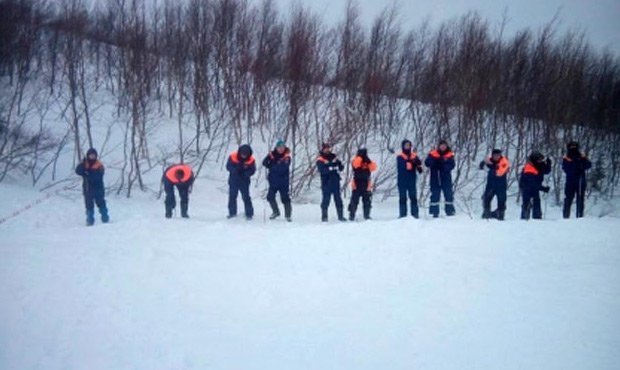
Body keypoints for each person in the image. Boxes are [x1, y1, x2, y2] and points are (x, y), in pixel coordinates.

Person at [75, 148, 109, 226]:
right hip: (88, 189)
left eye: (94, 155)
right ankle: (90, 221)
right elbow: (78, 171)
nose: (92, 157)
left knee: (101, 203)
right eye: (91, 155)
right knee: (89, 206)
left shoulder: (99, 165)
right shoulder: (85, 164)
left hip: (98, 188)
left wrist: (88, 173)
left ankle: (105, 218)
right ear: (88, 155)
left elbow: (99, 176)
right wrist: (82, 165)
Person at [424, 140, 456, 217]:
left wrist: (443, 164)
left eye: (444, 145)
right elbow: (427, 163)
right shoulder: (433, 154)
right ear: (439, 146)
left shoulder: (449, 155)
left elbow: (452, 165)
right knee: (435, 193)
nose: (443, 147)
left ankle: (449, 211)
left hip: (446, 177)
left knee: (448, 193)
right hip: (435, 177)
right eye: (441, 145)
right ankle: (435, 212)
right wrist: (434, 161)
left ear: (446, 146)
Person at [263, 140, 292, 221]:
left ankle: (288, 215)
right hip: (273, 181)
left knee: (285, 198)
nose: (281, 149)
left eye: (282, 147)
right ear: (276, 147)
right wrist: (269, 162)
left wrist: (272, 165)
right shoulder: (271, 154)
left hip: (283, 181)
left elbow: (282, 168)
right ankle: (275, 212)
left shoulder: (287, 157)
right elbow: (264, 163)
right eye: (279, 147)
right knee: (270, 197)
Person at [316, 143, 346, 222]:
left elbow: (341, 167)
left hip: (335, 181)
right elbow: (321, 170)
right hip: (326, 182)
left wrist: (338, 166)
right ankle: (324, 217)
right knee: (326, 199)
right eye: (325, 148)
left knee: (338, 199)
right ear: (323, 149)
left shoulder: (334, 157)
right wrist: (331, 167)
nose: (327, 150)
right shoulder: (320, 159)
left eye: (328, 148)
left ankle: (341, 216)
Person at [562, 141, 592, 218]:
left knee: (580, 199)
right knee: (568, 199)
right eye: (571, 147)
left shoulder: (581, 156)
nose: (573, 148)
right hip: (570, 181)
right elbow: (565, 168)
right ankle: (566, 217)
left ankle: (579, 216)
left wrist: (582, 161)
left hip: (580, 180)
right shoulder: (567, 157)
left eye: (574, 147)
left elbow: (588, 165)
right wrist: (576, 166)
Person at [226, 144, 256, 219]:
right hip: (234, 180)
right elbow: (228, 166)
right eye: (243, 154)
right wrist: (235, 170)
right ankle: (232, 213)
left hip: (244, 181)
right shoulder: (233, 157)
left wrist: (246, 174)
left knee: (246, 197)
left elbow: (252, 170)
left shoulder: (251, 160)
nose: (244, 156)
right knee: (232, 197)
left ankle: (249, 214)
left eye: (246, 154)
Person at [519, 151, 552, 220]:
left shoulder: (538, 166)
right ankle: (524, 219)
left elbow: (546, 171)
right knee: (527, 203)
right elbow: (532, 183)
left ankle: (537, 218)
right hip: (526, 187)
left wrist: (548, 163)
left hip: (535, 187)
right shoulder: (529, 168)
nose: (541, 161)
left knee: (536, 202)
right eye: (539, 160)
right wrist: (543, 189)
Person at [479, 149, 510, 220]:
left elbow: (499, 173)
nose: (496, 157)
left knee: (501, 200)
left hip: (501, 185)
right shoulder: (489, 161)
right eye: (495, 155)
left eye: (498, 155)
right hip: (490, 185)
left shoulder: (504, 162)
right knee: (486, 199)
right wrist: (484, 162)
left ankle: (500, 215)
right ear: (492, 155)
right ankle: (486, 214)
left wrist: (489, 167)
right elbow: (481, 167)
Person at [348, 146, 377, 221]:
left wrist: (368, 160)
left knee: (367, 201)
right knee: (354, 201)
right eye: (361, 152)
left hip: (366, 184)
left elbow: (373, 168)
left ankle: (366, 215)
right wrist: (360, 157)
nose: (363, 154)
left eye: (364, 152)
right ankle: (352, 215)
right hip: (356, 183)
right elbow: (356, 165)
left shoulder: (367, 161)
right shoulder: (355, 159)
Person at [397, 139, 423, 218]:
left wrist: (418, 165)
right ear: (403, 146)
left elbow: (420, 169)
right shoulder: (400, 156)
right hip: (402, 180)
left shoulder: (414, 156)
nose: (407, 147)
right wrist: (412, 162)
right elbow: (405, 166)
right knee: (402, 198)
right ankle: (402, 214)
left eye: (409, 145)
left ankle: (415, 214)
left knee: (413, 197)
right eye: (406, 145)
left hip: (412, 179)